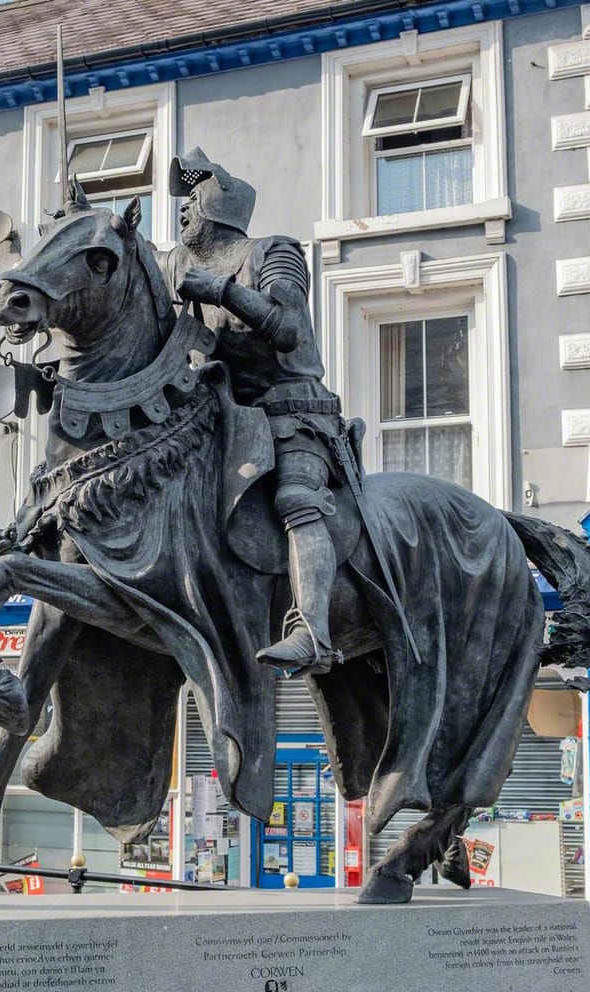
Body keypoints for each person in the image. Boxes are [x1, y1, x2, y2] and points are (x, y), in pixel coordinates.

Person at [155, 148, 345, 676]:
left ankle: (311, 630)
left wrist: (219, 290)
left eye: (192, 197)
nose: (182, 209)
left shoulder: (272, 252)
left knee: (296, 498)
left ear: (219, 203)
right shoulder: (175, 264)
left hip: (291, 412)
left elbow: (288, 328)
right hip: (218, 417)